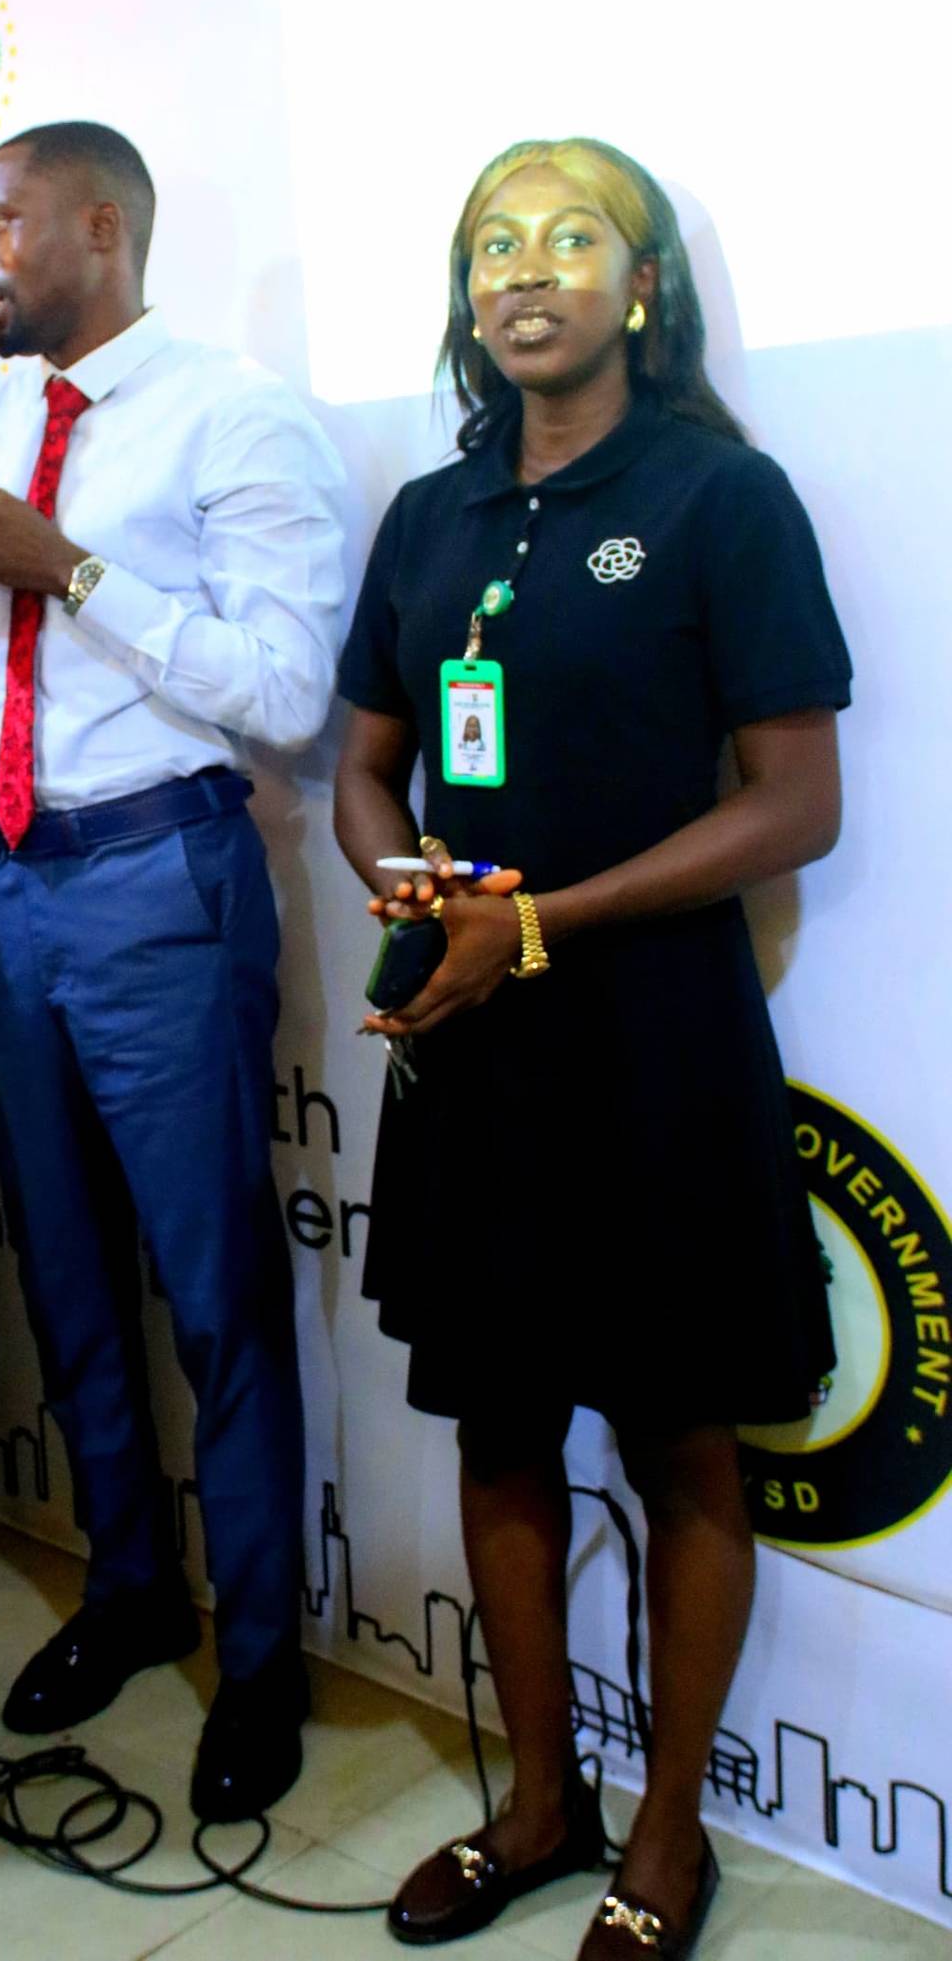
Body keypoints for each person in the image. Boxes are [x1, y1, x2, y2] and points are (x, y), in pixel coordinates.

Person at [333, 138, 849, 1959]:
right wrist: (403, 879)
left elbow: (797, 804)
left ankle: (668, 1839)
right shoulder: (431, 514)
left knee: (680, 1446)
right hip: (474, 1048)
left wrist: (544, 919)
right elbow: (366, 759)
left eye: (571, 239)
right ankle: (539, 1807)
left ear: (643, 290)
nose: (525, 270)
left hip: (654, 1049)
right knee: (501, 1432)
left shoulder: (722, 497)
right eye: (494, 244)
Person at [0, 120, 345, 1821]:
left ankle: (264, 1659)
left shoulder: (233, 414)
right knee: (69, 1276)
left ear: (101, 224)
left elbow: (284, 694)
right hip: (7, 878)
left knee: (216, 1294)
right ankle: (133, 1588)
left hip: (160, 875)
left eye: (0, 220)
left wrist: (65, 568)